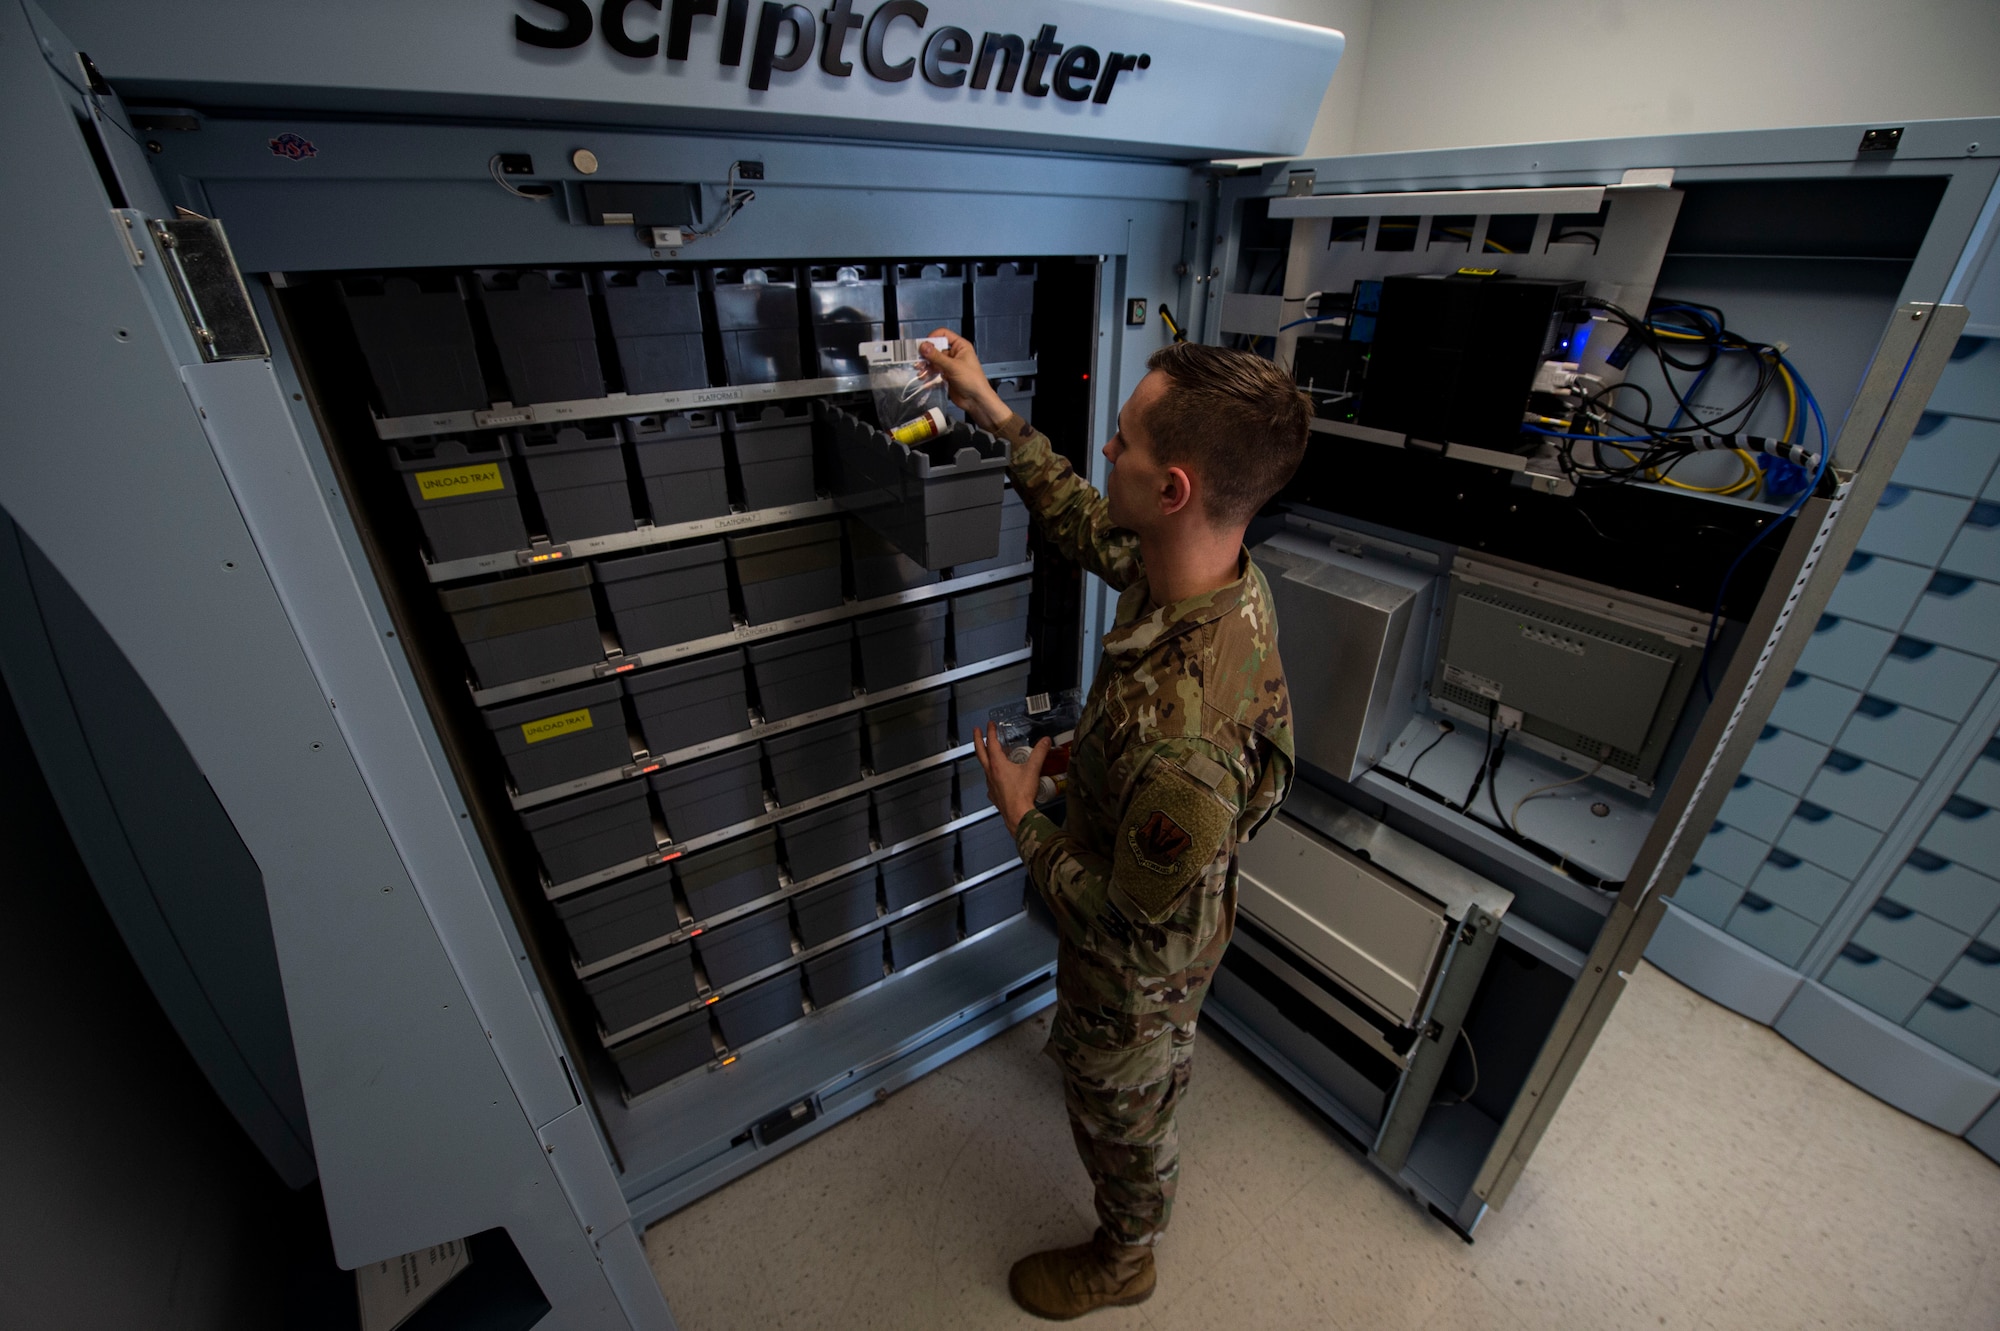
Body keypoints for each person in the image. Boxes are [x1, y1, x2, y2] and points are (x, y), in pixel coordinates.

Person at [921, 331, 1309, 1319]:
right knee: (1125, 1073)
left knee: (1121, 1104)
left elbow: (1119, 923)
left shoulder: (1190, 736)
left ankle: (1123, 1253)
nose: (1107, 453)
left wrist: (1021, 812)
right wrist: (988, 409)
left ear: (1171, 488)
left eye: (1125, 442)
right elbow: (1088, 526)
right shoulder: (1204, 569)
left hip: (1137, 965)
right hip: (1147, 863)